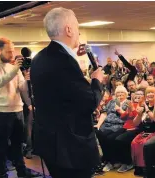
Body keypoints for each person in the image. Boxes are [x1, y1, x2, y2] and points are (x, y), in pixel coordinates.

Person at [30, 7, 104, 178]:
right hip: (70, 146)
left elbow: (61, 97)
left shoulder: (39, 58)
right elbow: (89, 102)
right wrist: (96, 80)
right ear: (69, 29)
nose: (79, 31)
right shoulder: (64, 61)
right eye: (77, 26)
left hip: (49, 140)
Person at [0, 38, 37, 178]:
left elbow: (21, 88)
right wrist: (14, 70)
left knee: (17, 144)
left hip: (18, 110)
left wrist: (29, 102)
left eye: (13, 51)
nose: (12, 54)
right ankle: (2, 174)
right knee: (1, 146)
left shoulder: (14, 68)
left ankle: (21, 171)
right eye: (8, 51)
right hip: (1, 112)